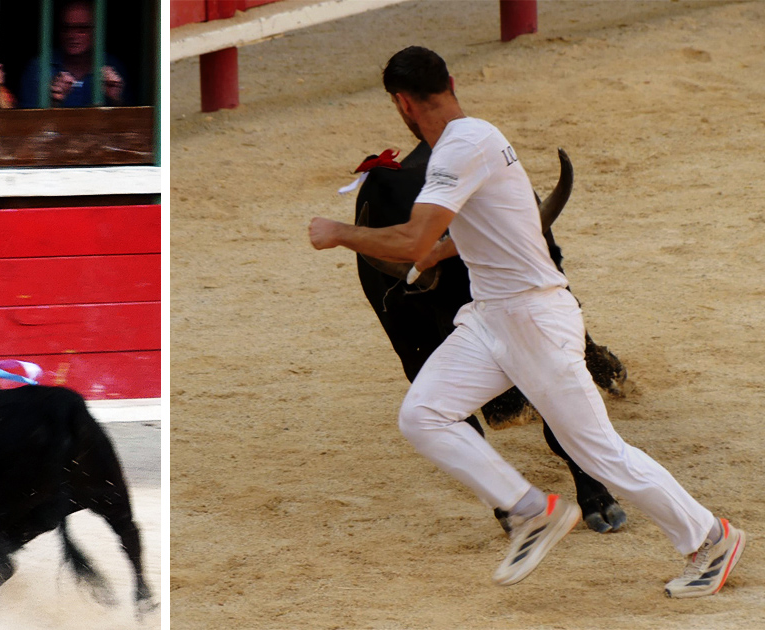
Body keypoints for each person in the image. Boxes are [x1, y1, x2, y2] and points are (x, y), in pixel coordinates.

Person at [307, 46, 744, 597]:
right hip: (492, 318)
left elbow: (413, 239)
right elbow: (482, 229)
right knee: (423, 414)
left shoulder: (456, 149)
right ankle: (528, 510)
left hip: (534, 319)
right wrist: (439, 254)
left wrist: (339, 232)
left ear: (401, 104)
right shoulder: (475, 138)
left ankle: (711, 535)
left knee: (600, 452)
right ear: (451, 83)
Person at [18, 0, 126, 108]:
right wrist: (53, 102)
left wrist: (115, 99)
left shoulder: (113, 65)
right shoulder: (39, 69)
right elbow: (24, 121)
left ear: (97, 31)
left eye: (82, 29)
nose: (72, 35)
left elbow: (132, 120)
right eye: (66, 28)